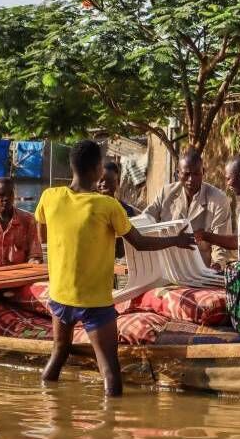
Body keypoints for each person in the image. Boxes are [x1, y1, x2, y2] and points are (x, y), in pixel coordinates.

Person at [36, 140, 194, 396]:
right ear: (98, 169)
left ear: (73, 166)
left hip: (59, 298)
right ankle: (112, 424)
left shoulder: (49, 197)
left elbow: (42, 237)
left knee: (59, 352)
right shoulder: (108, 206)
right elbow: (140, 244)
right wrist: (176, 239)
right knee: (109, 370)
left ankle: (48, 408)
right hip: (94, 303)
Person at [142, 148, 233, 267]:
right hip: (168, 268)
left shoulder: (218, 199)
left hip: (200, 271)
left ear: (203, 172)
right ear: (178, 173)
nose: (191, 179)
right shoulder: (166, 193)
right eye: (186, 174)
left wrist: (217, 264)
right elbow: (146, 219)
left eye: (196, 174)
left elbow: (221, 242)